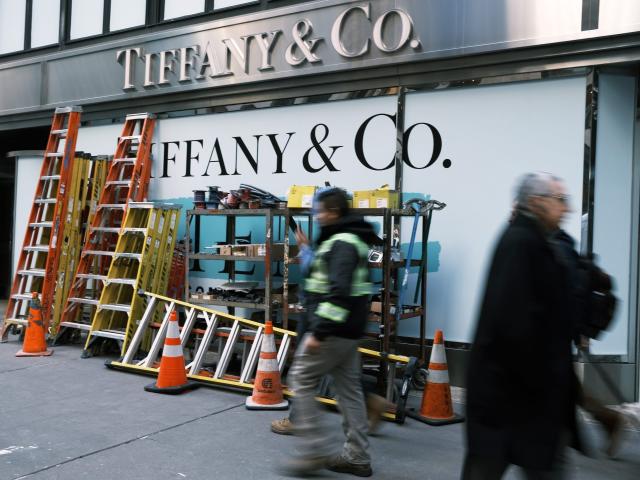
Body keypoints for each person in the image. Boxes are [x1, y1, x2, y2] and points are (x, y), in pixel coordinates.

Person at [462, 172, 582, 479]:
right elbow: (512, 324)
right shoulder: (521, 243)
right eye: (560, 200)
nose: (566, 208)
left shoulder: (540, 242)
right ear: (536, 202)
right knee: (491, 466)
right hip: (511, 398)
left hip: (526, 399)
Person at [281, 188, 376, 477]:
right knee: (349, 392)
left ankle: (313, 451)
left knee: (301, 377)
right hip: (347, 331)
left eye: (320, 211)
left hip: (333, 330)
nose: (317, 216)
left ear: (333, 212)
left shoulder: (343, 243)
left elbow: (339, 293)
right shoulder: (343, 239)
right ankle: (357, 457)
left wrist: (318, 332)